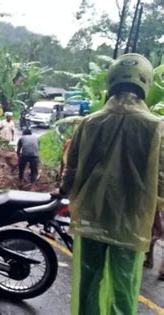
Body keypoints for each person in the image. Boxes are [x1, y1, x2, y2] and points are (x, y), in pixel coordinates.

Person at [60, 53, 163, 315]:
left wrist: (64, 194)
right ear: (145, 83)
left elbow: (71, 170)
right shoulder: (155, 127)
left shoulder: (90, 122)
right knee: (124, 284)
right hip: (132, 220)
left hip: (90, 216)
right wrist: (156, 215)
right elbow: (160, 180)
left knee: (89, 281)